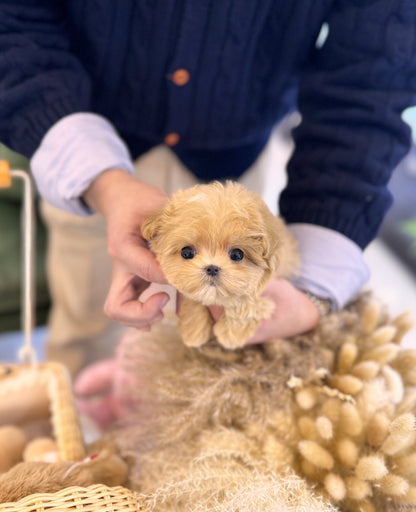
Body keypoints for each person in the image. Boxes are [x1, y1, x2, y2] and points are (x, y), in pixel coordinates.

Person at [0, 1, 415, 375]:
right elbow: (14, 20)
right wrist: (98, 179)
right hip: (85, 158)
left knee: (211, 365)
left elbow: (375, 76)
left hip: (238, 159)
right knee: (84, 327)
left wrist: (315, 284)